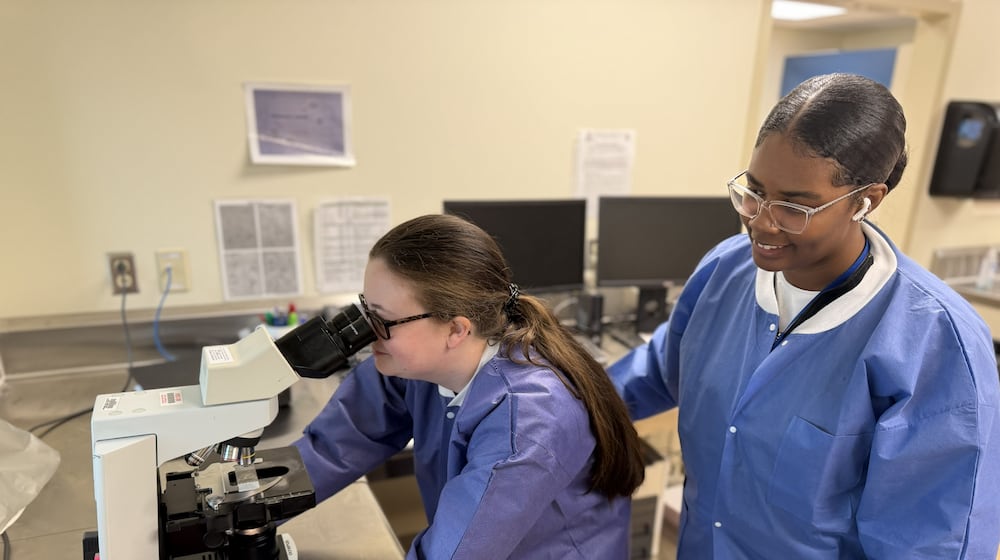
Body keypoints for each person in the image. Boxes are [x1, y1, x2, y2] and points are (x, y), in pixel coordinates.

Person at [610, 73, 1000, 558]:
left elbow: (931, 543)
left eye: (795, 207)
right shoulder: (724, 270)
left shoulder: (935, 343)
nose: (760, 222)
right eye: (753, 192)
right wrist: (552, 395)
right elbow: (657, 370)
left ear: (867, 200)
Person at [293, 213, 646, 559]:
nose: (368, 334)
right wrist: (263, 503)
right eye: (365, 311)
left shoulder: (529, 419)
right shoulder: (418, 365)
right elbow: (331, 448)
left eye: (382, 320)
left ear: (456, 329)